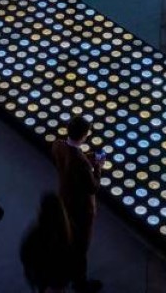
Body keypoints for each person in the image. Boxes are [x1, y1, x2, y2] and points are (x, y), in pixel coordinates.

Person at [51, 115, 103, 293]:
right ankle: (80, 283)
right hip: (81, 209)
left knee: (67, 238)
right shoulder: (81, 164)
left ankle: (65, 272)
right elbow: (93, 187)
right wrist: (98, 167)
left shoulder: (57, 145)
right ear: (84, 135)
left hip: (65, 199)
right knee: (81, 246)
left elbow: (68, 162)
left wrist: (86, 158)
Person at [20, 193, 74, 293]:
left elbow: (25, 256)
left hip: (42, 279)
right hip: (59, 279)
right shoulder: (67, 230)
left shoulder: (35, 234)